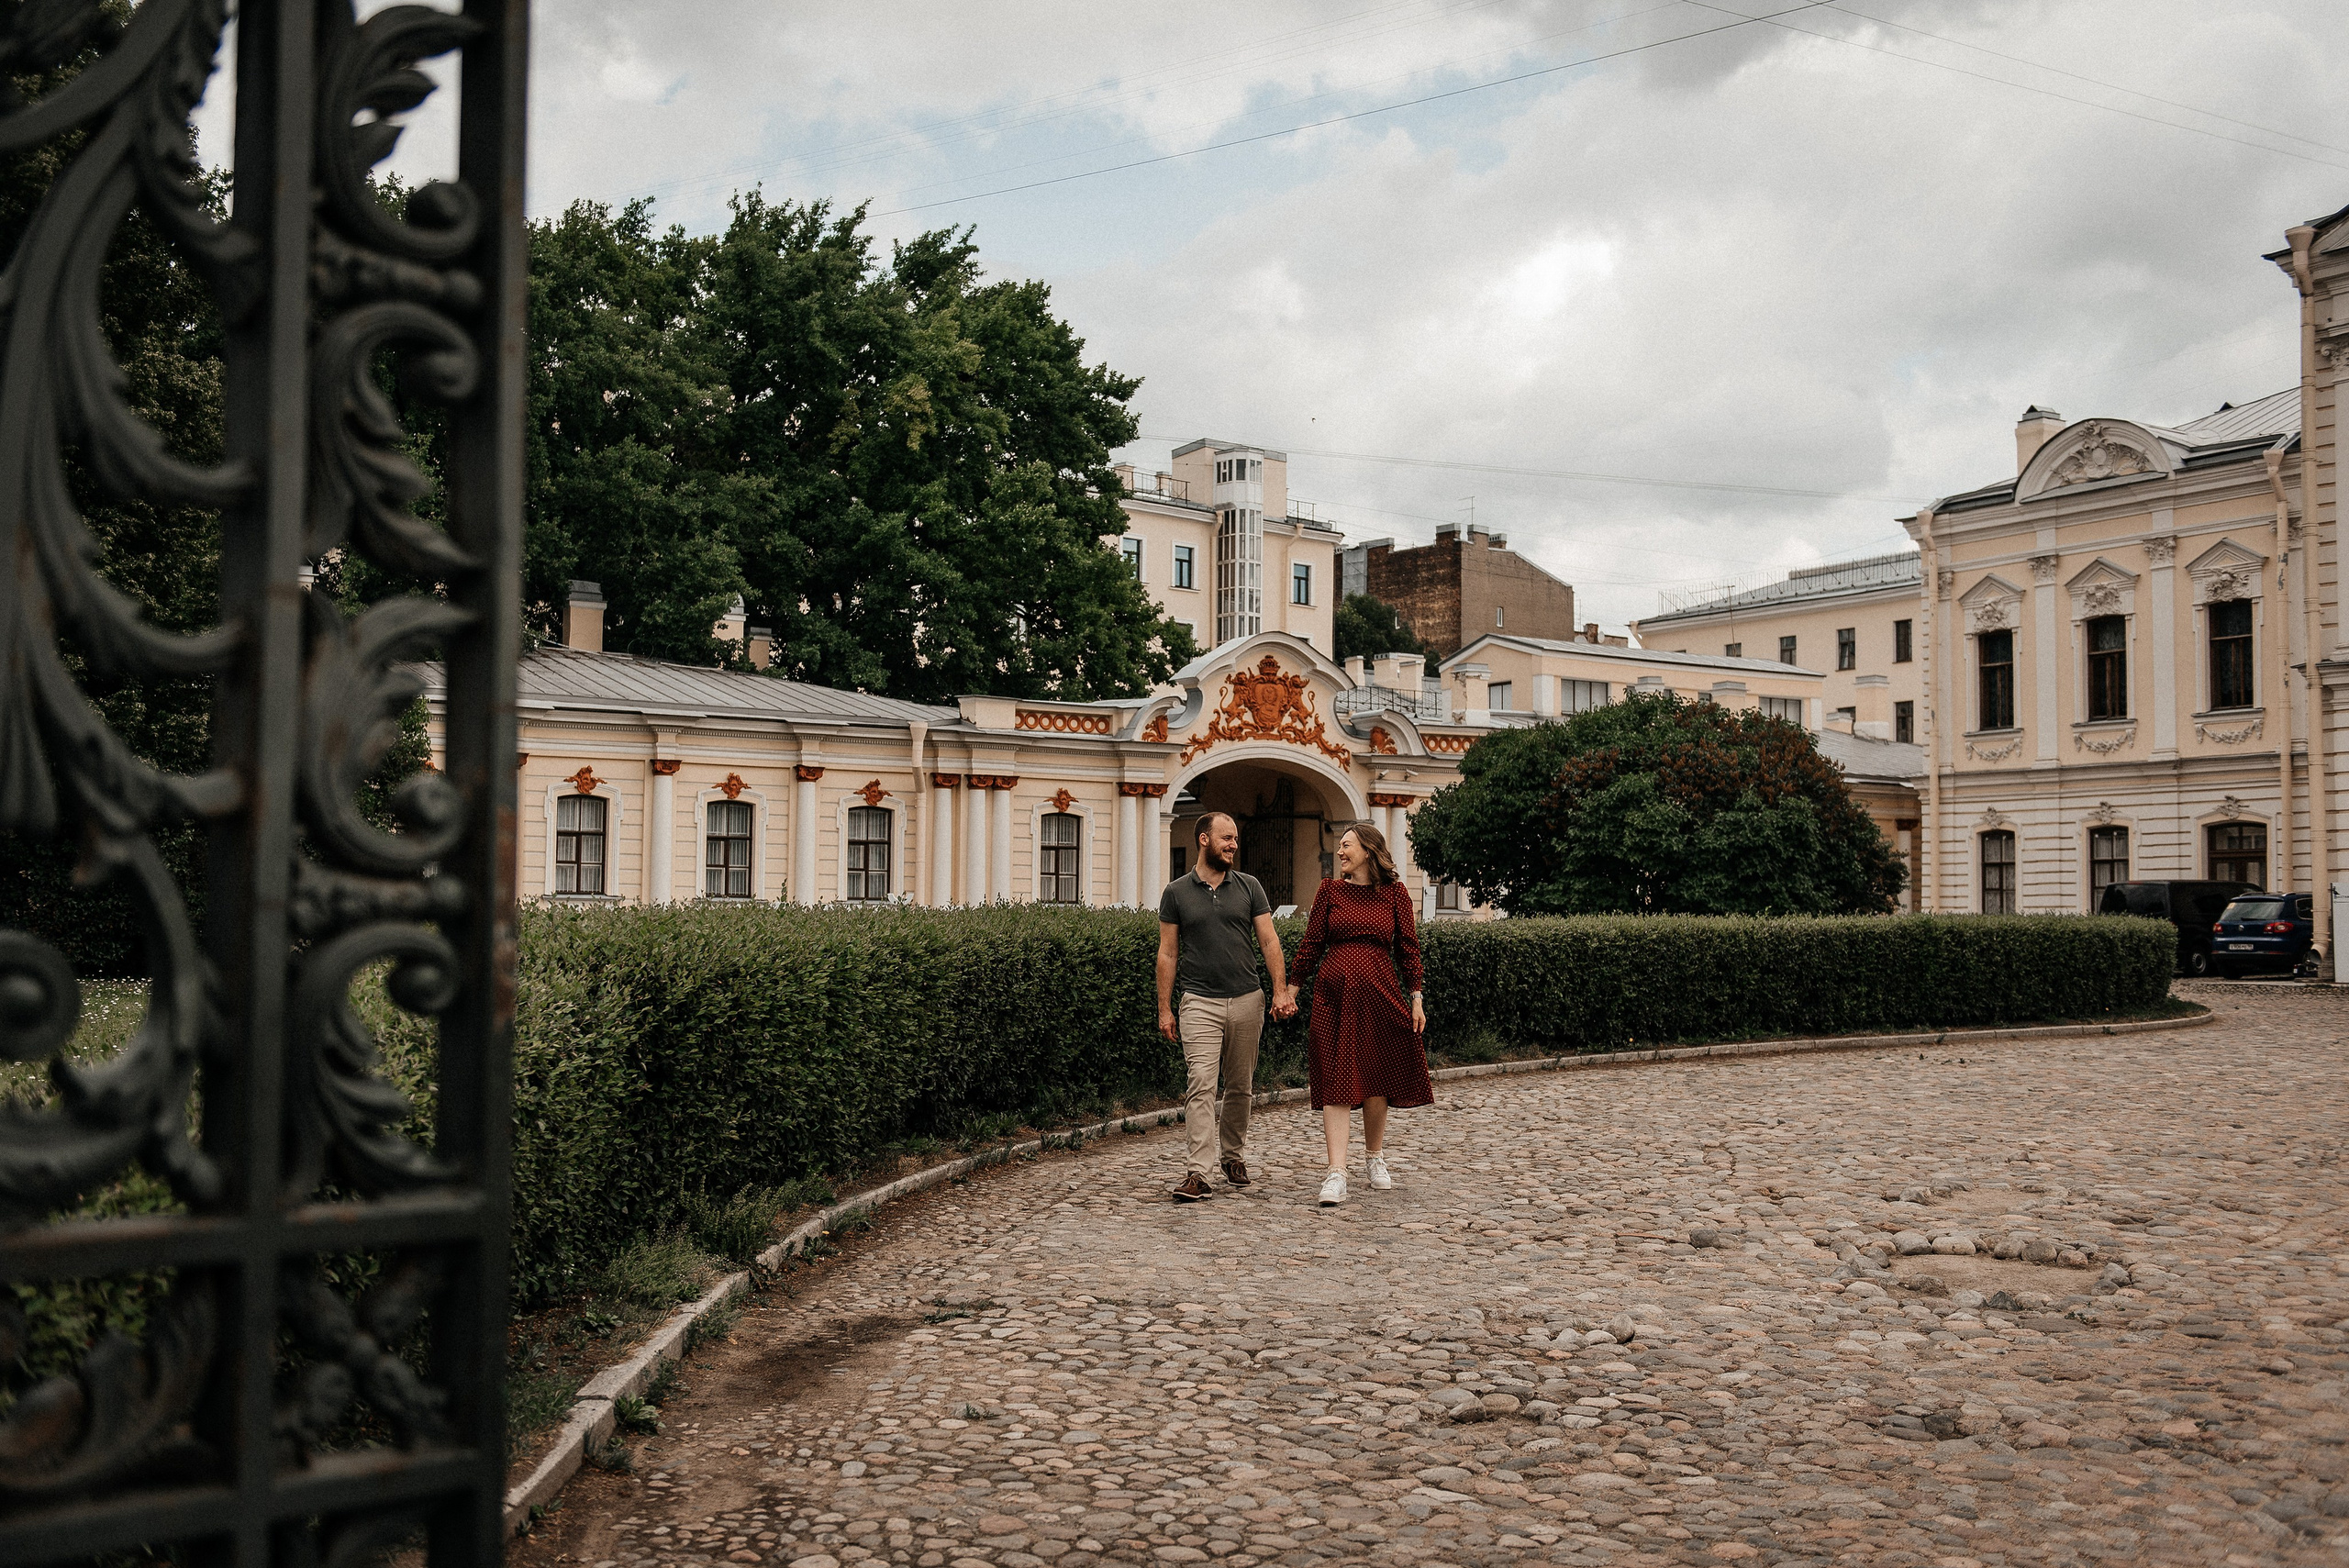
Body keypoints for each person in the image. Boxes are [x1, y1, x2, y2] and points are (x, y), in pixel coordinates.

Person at [1157, 812, 1297, 1202]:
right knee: (1201, 1082)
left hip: (1248, 999)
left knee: (1240, 1086)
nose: (1233, 844)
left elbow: (1269, 941)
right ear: (1204, 839)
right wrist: (1164, 1008)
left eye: (1236, 839)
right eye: (1226, 837)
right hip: (1199, 1000)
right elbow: (1168, 953)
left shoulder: (1250, 887)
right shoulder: (1177, 892)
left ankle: (1233, 1156)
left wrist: (1280, 990)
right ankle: (1198, 1173)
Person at [1288, 820, 1430, 1207]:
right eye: (1340, 845)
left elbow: (1409, 949)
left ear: (1368, 850)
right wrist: (1291, 989)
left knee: (1376, 1076)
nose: (1340, 851)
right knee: (1336, 1073)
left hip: (1380, 991)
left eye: (1347, 845)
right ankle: (1336, 1172)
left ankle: (1374, 1157)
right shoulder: (1329, 890)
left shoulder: (1395, 893)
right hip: (1334, 994)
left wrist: (1416, 997)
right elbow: (1312, 943)